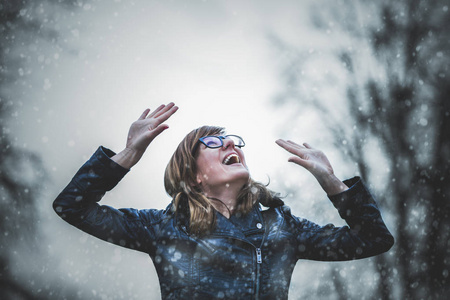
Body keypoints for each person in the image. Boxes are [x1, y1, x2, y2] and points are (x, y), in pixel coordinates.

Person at [53, 102, 394, 300]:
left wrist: (331, 181)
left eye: (234, 141)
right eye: (215, 143)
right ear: (193, 176)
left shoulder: (281, 228)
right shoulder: (165, 228)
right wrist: (128, 153)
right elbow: (72, 206)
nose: (232, 145)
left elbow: (373, 240)